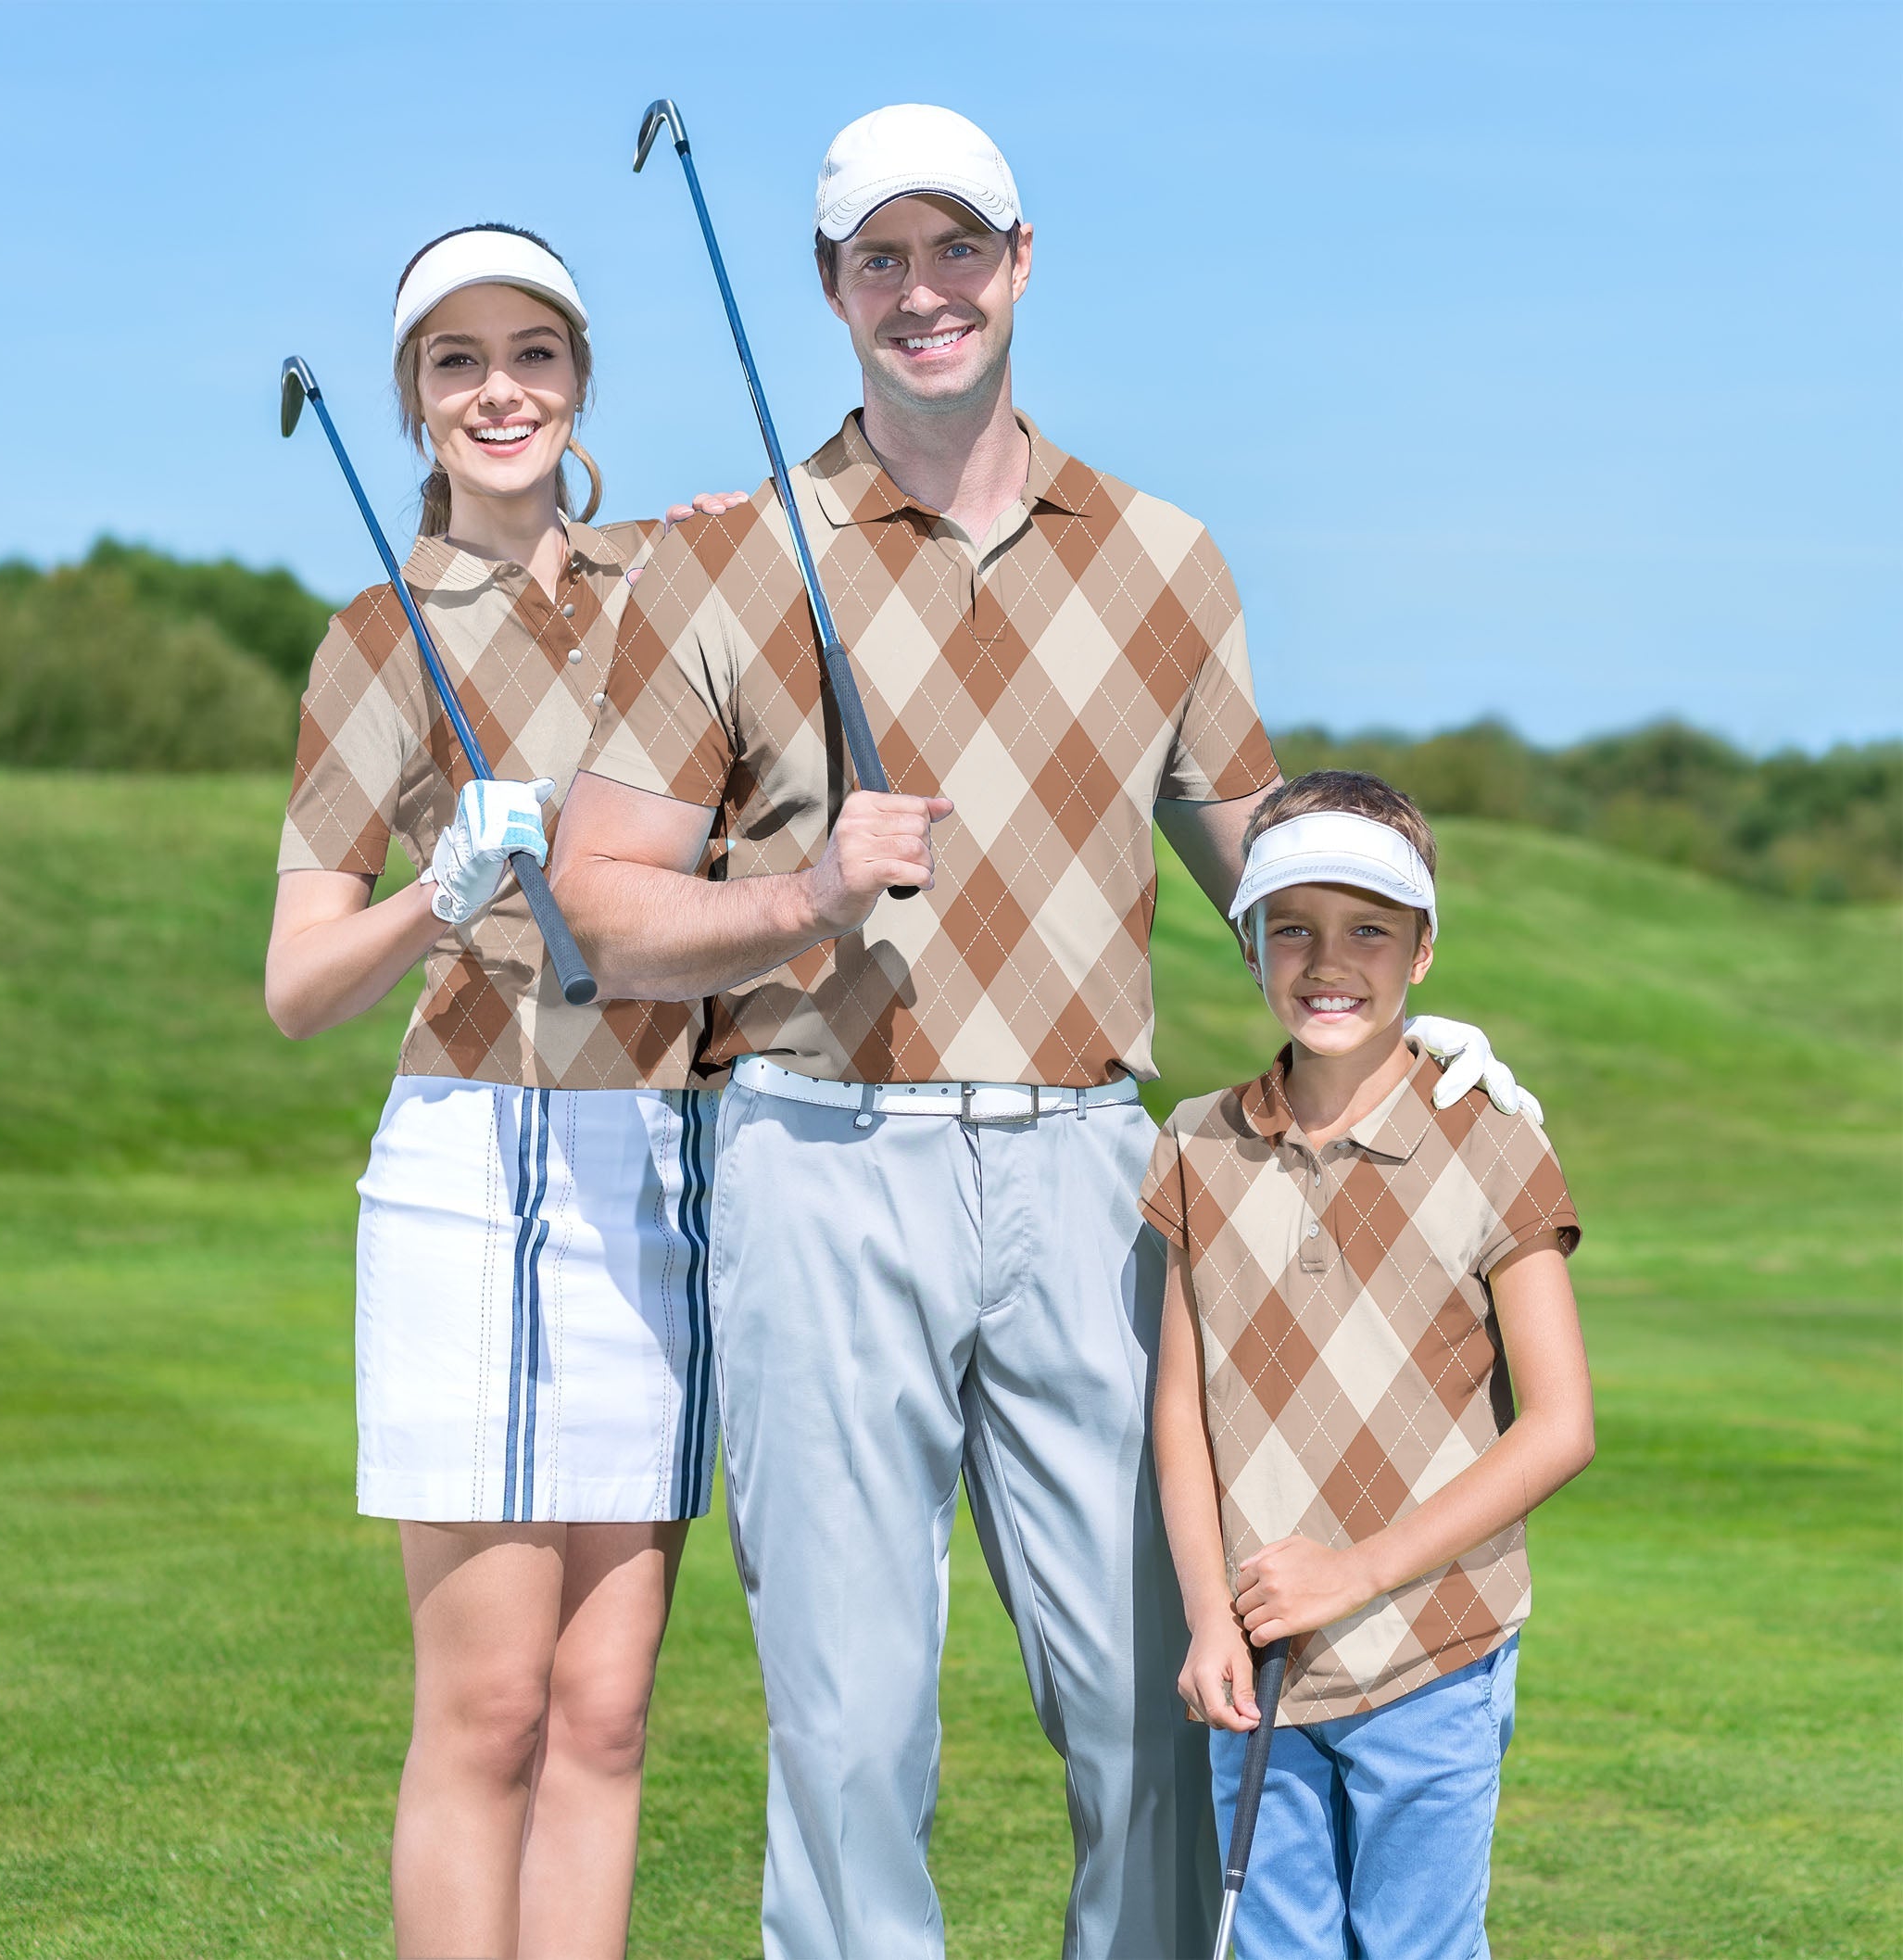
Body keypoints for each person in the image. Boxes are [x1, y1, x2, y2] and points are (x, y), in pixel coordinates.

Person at [550, 107, 1530, 1959]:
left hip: (1094, 1174)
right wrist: (790, 901)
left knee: (1159, 1696)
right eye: (879, 259)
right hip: (815, 1150)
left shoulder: (1167, 560)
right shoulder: (726, 556)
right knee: (850, 1726)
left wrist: (1412, 1004)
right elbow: (599, 903)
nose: (923, 293)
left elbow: (1268, 878)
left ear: (1019, 260)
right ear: (830, 289)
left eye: (956, 250)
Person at [264, 223, 741, 1960]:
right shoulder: (370, 641)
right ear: (412, 400)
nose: (498, 391)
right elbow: (298, 985)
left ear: (579, 381)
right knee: (489, 1711)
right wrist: (433, 893)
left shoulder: (681, 594)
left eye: (530, 354)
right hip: (468, 1163)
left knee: (607, 1711)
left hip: (654, 1165)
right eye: (456, 361)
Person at [1143, 770, 1595, 1960]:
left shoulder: (1496, 1141)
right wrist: (1206, 1617)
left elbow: (1559, 1426)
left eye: (1368, 931)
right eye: (1290, 926)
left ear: (1422, 952)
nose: (1326, 960)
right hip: (1259, 1661)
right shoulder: (1197, 1142)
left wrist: (1355, 1574)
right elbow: (1181, 1413)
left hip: (1433, 1649)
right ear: (1247, 943)